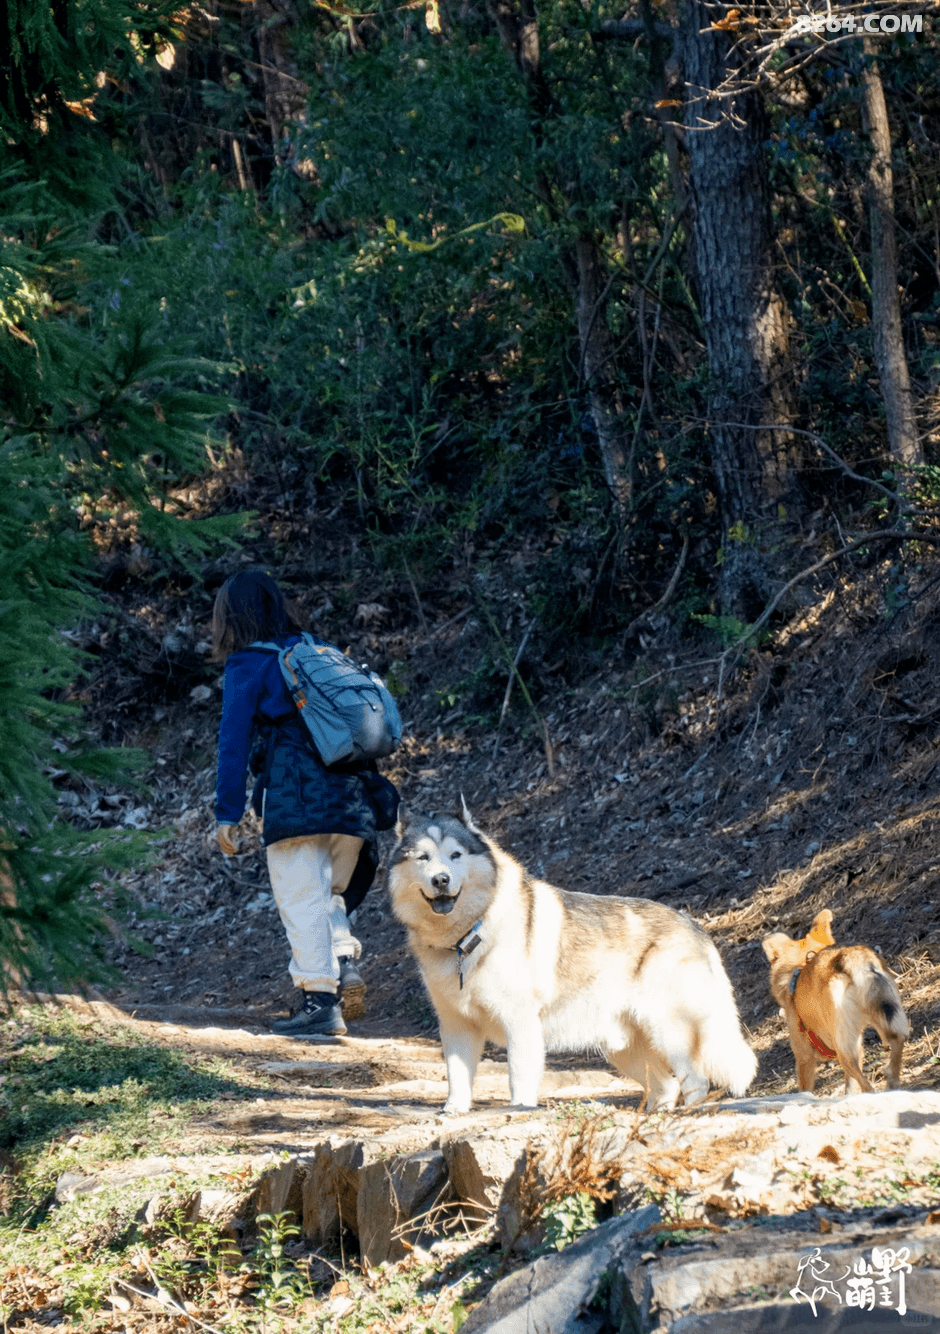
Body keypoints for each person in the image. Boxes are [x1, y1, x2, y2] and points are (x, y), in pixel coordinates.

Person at [212, 569, 399, 1037]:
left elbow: (233, 742)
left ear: (232, 617)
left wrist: (227, 813)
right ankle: (341, 958)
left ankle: (320, 1002)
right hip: (354, 796)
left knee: (301, 895)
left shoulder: (249, 664)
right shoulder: (317, 651)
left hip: (295, 796)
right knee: (329, 891)